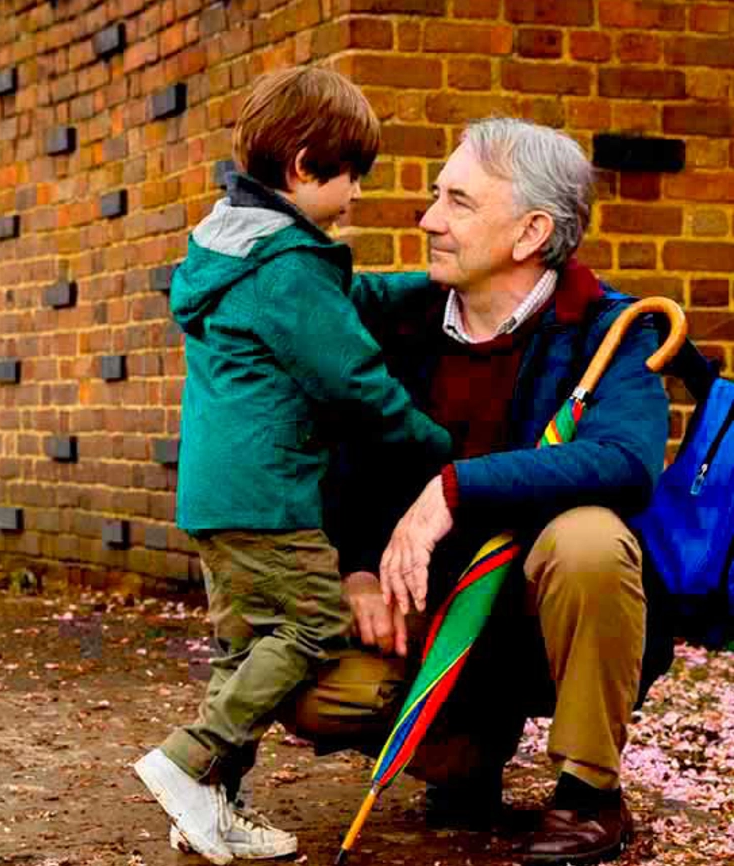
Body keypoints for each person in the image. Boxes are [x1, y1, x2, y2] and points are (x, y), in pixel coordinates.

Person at [294, 116, 672, 866]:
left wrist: (456, 488)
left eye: (458, 202)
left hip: (536, 613)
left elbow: (627, 461)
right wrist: (357, 571)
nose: (428, 220)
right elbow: (338, 448)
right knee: (308, 687)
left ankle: (589, 793)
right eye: (438, 196)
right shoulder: (398, 317)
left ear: (531, 232)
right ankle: (463, 750)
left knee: (590, 540)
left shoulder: (609, 330)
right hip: (429, 616)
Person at [131, 66, 453, 865]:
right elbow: (353, 380)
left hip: (218, 496)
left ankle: (210, 807)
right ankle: (186, 760)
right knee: (313, 623)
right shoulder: (286, 266)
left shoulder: (239, 248)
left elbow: (338, 304)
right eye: (351, 177)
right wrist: (441, 451)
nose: (356, 195)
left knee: (243, 650)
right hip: (271, 495)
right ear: (306, 167)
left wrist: (431, 286)